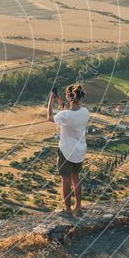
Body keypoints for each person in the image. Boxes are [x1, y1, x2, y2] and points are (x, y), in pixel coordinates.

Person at [47, 84, 89, 215]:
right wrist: (59, 99)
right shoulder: (85, 112)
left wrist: (51, 100)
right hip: (79, 151)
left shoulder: (64, 115)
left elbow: (49, 116)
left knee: (65, 179)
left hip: (66, 151)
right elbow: (69, 111)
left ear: (69, 96)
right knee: (76, 178)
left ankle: (68, 210)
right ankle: (78, 207)